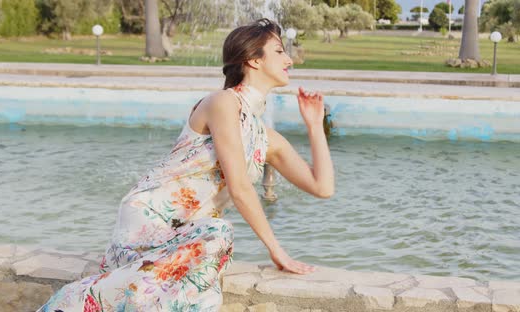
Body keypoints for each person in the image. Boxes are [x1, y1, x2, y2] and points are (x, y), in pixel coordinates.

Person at [38, 18, 334, 312]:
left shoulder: (265, 138)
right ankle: (74, 301)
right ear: (253, 60)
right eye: (280, 51)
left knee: (206, 279)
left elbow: (322, 187)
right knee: (219, 234)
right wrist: (277, 251)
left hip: (190, 235)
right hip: (150, 220)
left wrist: (314, 126)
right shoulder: (222, 103)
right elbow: (240, 186)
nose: (290, 60)